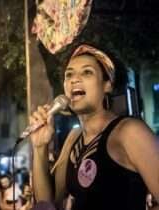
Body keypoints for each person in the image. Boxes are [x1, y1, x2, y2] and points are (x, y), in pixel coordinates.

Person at [30, 43, 159, 210]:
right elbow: (47, 202)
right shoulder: (74, 138)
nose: (74, 79)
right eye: (69, 75)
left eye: (87, 72)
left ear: (108, 85)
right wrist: (40, 147)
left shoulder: (129, 132)